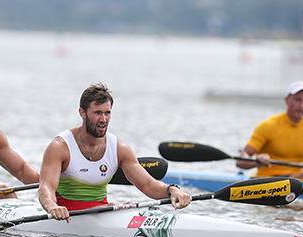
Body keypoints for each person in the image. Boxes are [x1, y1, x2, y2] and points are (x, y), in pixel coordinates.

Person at [38, 83, 191, 221]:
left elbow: (148, 185)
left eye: (107, 113)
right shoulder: (60, 147)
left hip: (103, 211)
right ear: (82, 113)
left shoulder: (119, 149)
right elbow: (46, 187)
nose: (104, 119)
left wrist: (172, 190)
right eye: (97, 113)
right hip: (68, 215)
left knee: (132, 205)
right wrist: (52, 207)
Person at [236, 80, 303, 180]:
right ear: (286, 100)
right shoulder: (269, 126)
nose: (301, 106)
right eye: (297, 100)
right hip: (266, 180)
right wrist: (257, 162)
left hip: (296, 182)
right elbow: (240, 161)